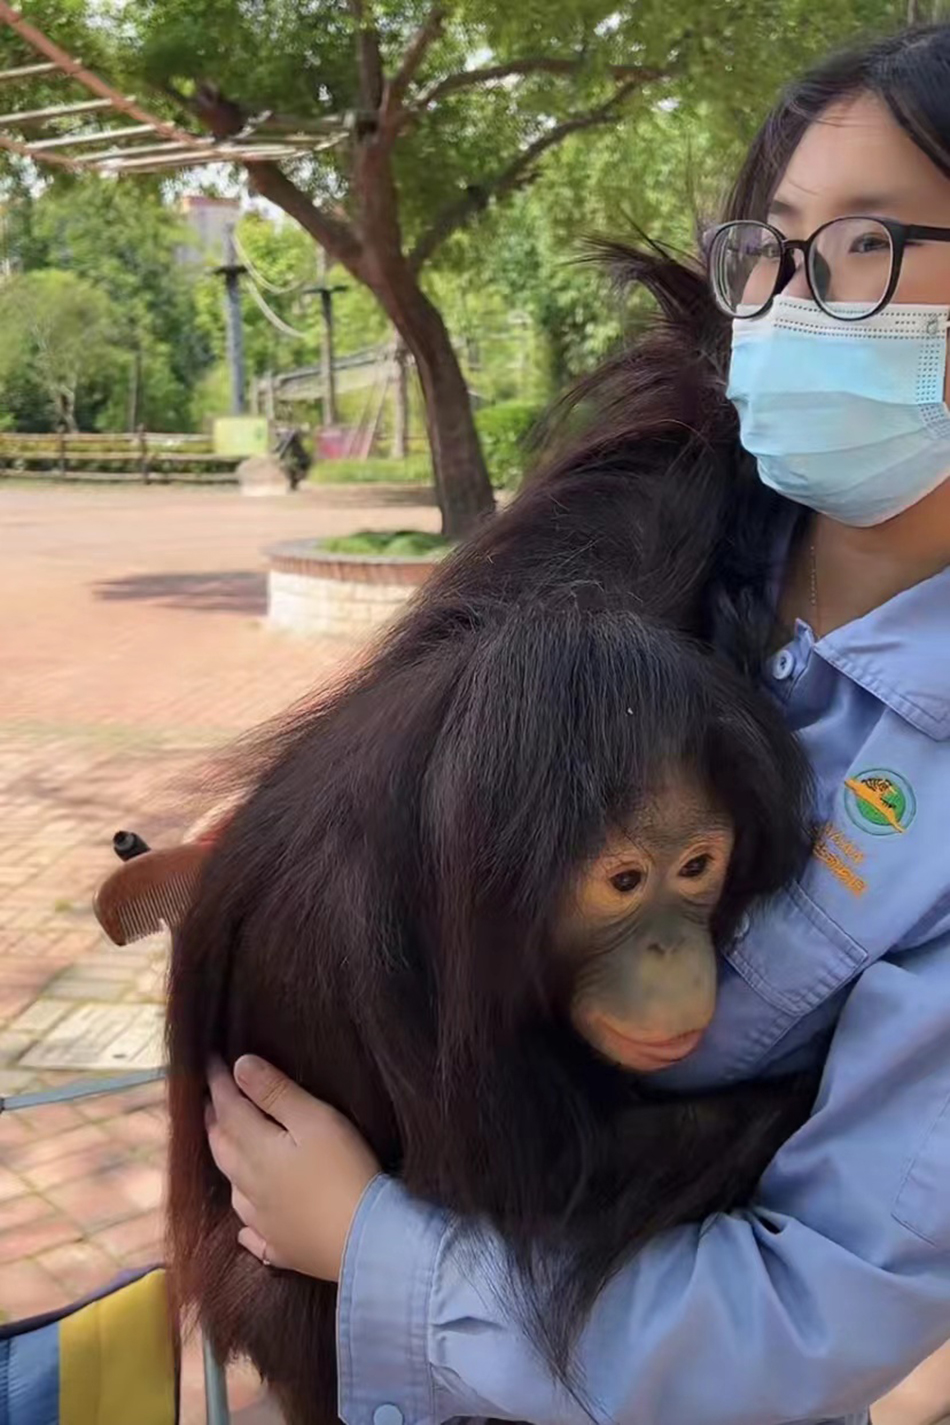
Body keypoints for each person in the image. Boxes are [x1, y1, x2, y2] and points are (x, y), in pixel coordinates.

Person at [204, 24, 950, 1425]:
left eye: (863, 245)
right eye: (774, 243)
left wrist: (375, 1249)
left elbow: (808, 1311)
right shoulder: (644, 510)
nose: (788, 300)